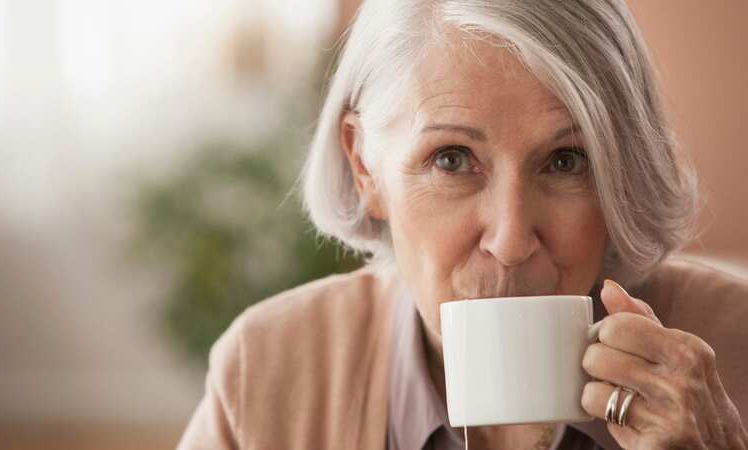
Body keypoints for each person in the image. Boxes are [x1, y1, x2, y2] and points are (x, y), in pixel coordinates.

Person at [178, 1, 748, 449]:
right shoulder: (266, 369)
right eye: (450, 159)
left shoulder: (736, 342)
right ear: (364, 167)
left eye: (566, 160)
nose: (510, 239)